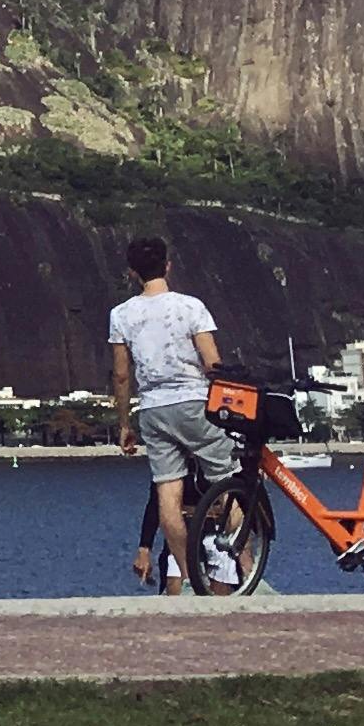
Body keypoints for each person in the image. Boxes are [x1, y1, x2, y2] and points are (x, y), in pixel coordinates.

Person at [107, 235, 236, 594]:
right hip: (196, 401)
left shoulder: (121, 315)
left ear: (133, 272)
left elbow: (121, 374)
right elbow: (213, 363)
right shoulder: (191, 307)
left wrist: (124, 425)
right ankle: (242, 556)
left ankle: (189, 571)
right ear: (168, 265)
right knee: (228, 480)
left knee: (167, 492)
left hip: (152, 408)